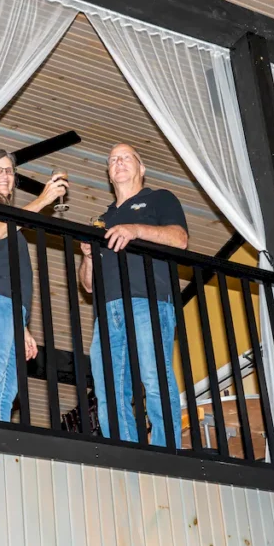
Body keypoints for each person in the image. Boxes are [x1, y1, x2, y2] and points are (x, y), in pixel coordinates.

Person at [79, 143, 187, 447]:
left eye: (126, 157)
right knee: (109, 389)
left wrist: (135, 230)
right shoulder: (101, 219)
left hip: (147, 302)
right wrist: (87, 257)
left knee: (153, 379)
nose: (119, 162)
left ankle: (168, 451)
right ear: (109, 174)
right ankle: (124, 451)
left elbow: (179, 239)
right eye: (112, 159)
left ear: (141, 168)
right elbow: (87, 286)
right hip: (108, 311)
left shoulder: (159, 199)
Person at [0, 148, 68, 421]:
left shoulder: (5, 213)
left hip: (6, 302)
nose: (5, 176)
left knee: (8, 381)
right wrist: (43, 199)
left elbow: (7, 269)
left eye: (9, 170)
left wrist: (22, 326)